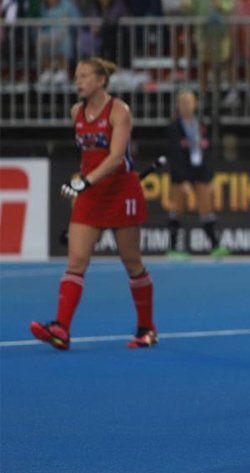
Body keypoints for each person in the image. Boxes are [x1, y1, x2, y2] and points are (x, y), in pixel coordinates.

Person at [30, 57, 157, 350]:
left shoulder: (119, 111)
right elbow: (87, 156)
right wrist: (82, 182)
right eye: (77, 76)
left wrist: (85, 181)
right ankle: (61, 328)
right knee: (76, 262)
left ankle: (147, 328)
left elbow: (116, 157)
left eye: (85, 76)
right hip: (91, 193)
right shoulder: (76, 112)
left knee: (132, 262)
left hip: (120, 191)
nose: (78, 82)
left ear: (101, 80)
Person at [165, 89, 229, 260]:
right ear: (178, 106)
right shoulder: (174, 127)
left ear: (195, 104)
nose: (186, 106)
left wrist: (209, 176)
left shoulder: (201, 125)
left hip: (199, 170)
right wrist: (182, 179)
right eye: (183, 103)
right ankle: (173, 248)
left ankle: (215, 246)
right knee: (177, 209)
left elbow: (207, 152)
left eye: (189, 102)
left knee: (206, 208)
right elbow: (174, 155)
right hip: (182, 172)